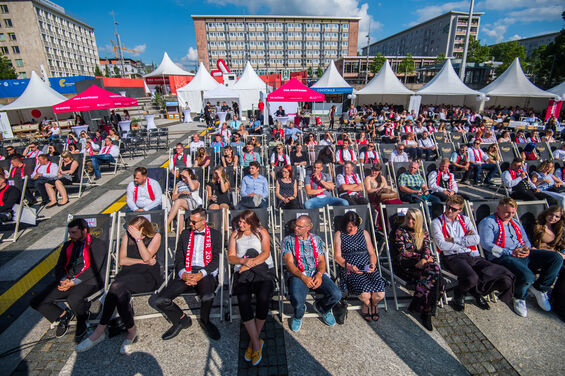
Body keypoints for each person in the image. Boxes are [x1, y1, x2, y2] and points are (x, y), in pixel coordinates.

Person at [76, 216, 162, 354]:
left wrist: (139, 240)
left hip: (147, 276)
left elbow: (147, 256)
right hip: (128, 274)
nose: (130, 233)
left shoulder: (156, 236)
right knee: (120, 293)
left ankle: (99, 332)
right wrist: (142, 261)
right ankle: (131, 332)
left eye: (134, 230)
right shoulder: (126, 237)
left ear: (143, 229)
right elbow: (122, 261)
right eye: (130, 230)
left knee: (115, 287)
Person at [478, 198, 563, 317]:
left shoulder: (515, 222)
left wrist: (526, 249)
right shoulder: (488, 222)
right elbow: (486, 244)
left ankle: (540, 288)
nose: (510, 215)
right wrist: (510, 252)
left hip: (522, 253)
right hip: (503, 257)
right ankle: (519, 297)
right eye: (507, 212)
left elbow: (525, 240)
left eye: (513, 213)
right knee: (528, 275)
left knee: (556, 258)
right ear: (498, 208)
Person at [432, 195, 514, 311]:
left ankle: (476, 291)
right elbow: (442, 245)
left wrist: (455, 239)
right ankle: (460, 293)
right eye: (448, 207)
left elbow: (476, 239)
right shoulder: (437, 222)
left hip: (472, 254)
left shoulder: (465, 220)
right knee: (472, 278)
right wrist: (465, 239)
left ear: (460, 210)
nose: (449, 210)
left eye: (453, 209)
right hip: (453, 256)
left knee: (504, 276)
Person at [150, 208, 221, 340]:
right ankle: (181, 319)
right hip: (187, 270)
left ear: (203, 221)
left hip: (204, 271)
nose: (191, 224)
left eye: (194, 222)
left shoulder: (215, 235)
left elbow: (216, 260)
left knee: (207, 297)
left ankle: (205, 321)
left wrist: (201, 274)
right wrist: (183, 274)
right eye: (190, 221)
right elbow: (179, 258)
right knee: (160, 300)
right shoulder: (185, 234)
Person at [30, 218, 107, 339]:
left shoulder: (98, 244)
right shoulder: (67, 246)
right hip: (68, 279)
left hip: (89, 280)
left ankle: (82, 319)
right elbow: (59, 266)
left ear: (84, 231)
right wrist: (63, 280)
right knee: (37, 300)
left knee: (74, 299)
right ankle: (63, 315)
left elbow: (93, 268)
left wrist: (73, 282)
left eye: (74, 233)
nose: (71, 236)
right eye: (70, 232)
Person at [228, 210, 274, 365]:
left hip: (262, 270)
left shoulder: (261, 232)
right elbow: (231, 257)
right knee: (243, 301)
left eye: (244, 222)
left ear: (252, 222)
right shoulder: (235, 235)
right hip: (242, 272)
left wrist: (249, 264)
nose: (241, 225)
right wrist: (243, 262)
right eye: (240, 222)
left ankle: (252, 343)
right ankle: (255, 344)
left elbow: (266, 253)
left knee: (263, 298)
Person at [283, 215, 341, 331]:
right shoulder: (288, 240)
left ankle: (322, 307)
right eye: (296, 225)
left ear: (308, 227)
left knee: (336, 294)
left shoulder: (317, 239)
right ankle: (299, 314)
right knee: (297, 299)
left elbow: (321, 261)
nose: (296, 228)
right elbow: (289, 264)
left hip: (316, 271)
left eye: (300, 227)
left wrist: (319, 275)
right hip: (298, 273)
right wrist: (302, 277)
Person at [394, 208, 444, 331]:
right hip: (406, 265)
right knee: (436, 276)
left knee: (433, 273)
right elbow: (404, 252)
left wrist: (424, 259)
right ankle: (427, 311)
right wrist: (423, 259)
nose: (410, 221)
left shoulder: (424, 233)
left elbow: (427, 248)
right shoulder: (400, 231)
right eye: (408, 218)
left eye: (413, 219)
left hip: (422, 263)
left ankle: (424, 309)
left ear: (419, 220)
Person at [334, 211, 386, 321]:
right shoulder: (339, 234)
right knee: (365, 295)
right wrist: (349, 267)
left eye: (354, 226)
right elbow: (337, 257)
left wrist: (372, 264)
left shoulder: (364, 233)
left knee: (380, 294)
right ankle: (367, 304)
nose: (351, 229)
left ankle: (374, 304)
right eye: (349, 227)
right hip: (350, 267)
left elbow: (372, 253)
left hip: (366, 265)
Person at [531, 206, 565, 321]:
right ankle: (540, 288)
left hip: (553, 256)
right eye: (551, 214)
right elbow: (534, 246)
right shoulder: (538, 226)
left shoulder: (556, 229)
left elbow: (559, 246)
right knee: (557, 259)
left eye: (557, 217)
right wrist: (556, 253)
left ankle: (557, 297)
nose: (553, 218)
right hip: (537, 256)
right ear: (546, 213)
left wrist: (561, 253)